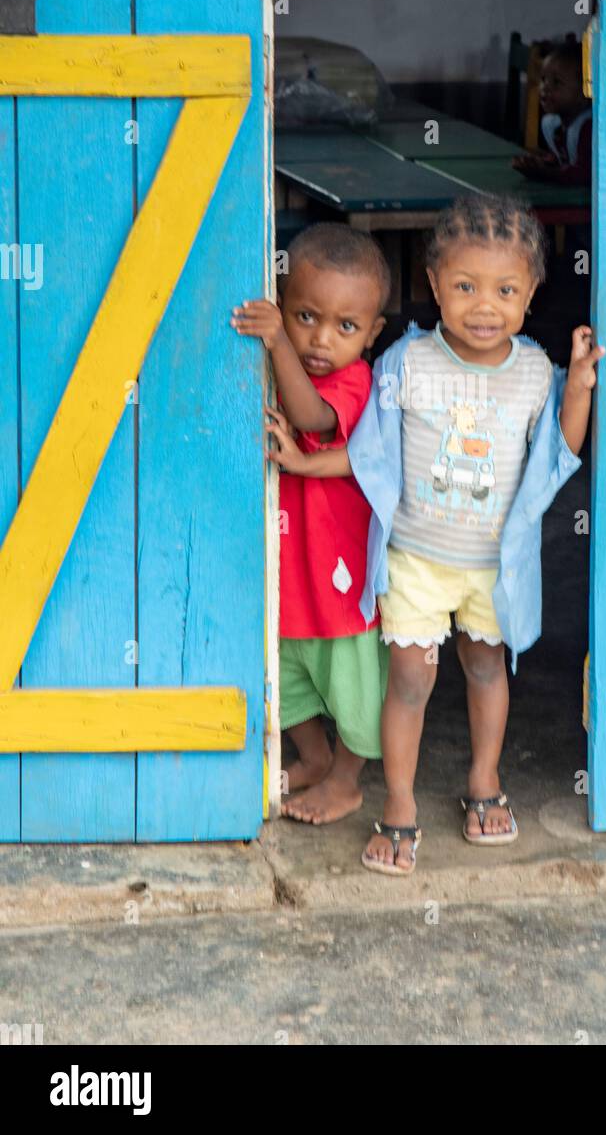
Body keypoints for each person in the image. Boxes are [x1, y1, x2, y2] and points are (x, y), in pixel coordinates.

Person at [345, 195, 604, 874]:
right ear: (433, 286)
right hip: (416, 559)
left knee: (487, 667)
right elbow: (368, 453)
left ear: (530, 294)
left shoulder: (532, 374)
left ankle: (484, 782)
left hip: (494, 565)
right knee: (409, 677)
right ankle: (398, 803)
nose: (484, 305)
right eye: (464, 286)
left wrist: (577, 386)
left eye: (505, 289)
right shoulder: (407, 364)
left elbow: (559, 454)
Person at [230, 224, 390, 825]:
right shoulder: (274, 365)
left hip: (338, 580)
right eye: (303, 316)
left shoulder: (353, 382)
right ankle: (315, 759)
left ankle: (347, 779)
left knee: (351, 688)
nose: (321, 339)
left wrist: (277, 343)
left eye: (345, 327)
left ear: (372, 334)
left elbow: (309, 415)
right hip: (287, 574)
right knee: (285, 672)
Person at [512, 40, 591, 186]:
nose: (545, 88)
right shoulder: (553, 124)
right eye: (543, 79)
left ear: (584, 92)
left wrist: (543, 174)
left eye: (556, 82)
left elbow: (583, 175)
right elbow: (565, 160)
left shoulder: (588, 127)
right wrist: (545, 162)